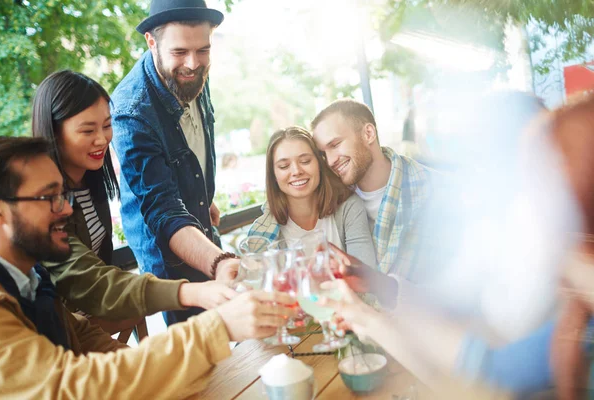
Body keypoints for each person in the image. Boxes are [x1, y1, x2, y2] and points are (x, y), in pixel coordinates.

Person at [320, 94, 594, 398]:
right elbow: (453, 298)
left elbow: (491, 373)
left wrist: (370, 319)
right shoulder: (506, 221)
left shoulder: (553, 246)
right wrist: (378, 284)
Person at [0, 136, 295, 398]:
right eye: (50, 198)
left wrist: (160, 377)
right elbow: (75, 386)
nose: (67, 209)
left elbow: (91, 345)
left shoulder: (32, 282)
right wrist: (216, 328)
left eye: (64, 196)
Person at [32, 70, 236, 333]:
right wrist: (190, 292)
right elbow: (91, 281)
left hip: (92, 327)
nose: (102, 139)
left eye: (107, 126)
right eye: (87, 130)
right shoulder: (43, 204)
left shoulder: (89, 183)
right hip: (64, 337)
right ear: (54, 132)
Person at [110, 0, 239, 325]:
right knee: (196, 352)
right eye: (180, 52)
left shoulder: (193, 72)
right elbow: (163, 210)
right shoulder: (131, 110)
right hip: (167, 257)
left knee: (228, 336)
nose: (193, 64)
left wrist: (201, 196)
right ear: (152, 41)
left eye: (203, 51)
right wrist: (221, 261)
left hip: (202, 233)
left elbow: (193, 144)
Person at [311, 99, 434, 282]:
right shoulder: (336, 200)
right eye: (323, 153)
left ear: (368, 134)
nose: (330, 161)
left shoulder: (432, 189)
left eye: (335, 145)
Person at [248, 127, 377, 268]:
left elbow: (366, 275)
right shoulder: (262, 234)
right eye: (284, 166)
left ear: (319, 164)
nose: (296, 171)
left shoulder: (349, 207)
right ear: (274, 176)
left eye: (305, 161)